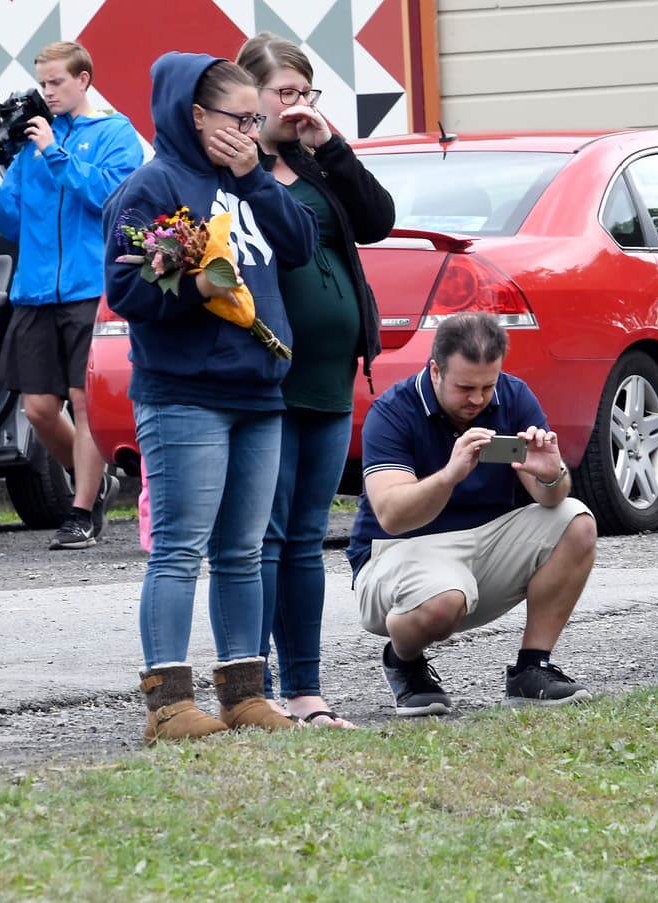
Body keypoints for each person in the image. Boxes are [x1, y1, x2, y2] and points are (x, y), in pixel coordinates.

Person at [102, 51, 319, 743]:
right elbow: (127, 291)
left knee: (242, 549)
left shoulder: (247, 179)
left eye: (257, 121)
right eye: (240, 119)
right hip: (184, 394)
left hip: (258, 392)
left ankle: (244, 692)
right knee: (179, 548)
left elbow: (300, 244)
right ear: (196, 116)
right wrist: (199, 286)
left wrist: (254, 174)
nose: (251, 131)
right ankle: (169, 702)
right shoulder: (152, 185)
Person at [236, 33, 395, 729]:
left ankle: (307, 693)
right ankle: (258, 688)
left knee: (306, 538)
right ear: (252, 97)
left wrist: (329, 143)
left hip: (331, 376)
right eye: (285, 94)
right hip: (266, 377)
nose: (298, 106)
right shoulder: (234, 171)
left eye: (308, 93)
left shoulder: (316, 162)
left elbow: (377, 222)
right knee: (263, 538)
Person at [347, 312, 598, 716]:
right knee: (443, 600)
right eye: (465, 387)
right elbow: (392, 515)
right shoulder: (393, 411)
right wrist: (450, 474)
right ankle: (403, 660)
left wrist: (551, 475)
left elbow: (551, 498)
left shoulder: (514, 397)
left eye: (487, 386)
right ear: (435, 371)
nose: (478, 400)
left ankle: (532, 669)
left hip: (483, 545)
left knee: (576, 520)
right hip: (398, 552)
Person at [0, 41, 142, 550]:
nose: (47, 93)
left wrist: (54, 151)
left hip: (91, 289)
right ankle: (94, 476)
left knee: (86, 403)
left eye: (56, 83)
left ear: (83, 80)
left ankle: (82, 510)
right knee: (41, 409)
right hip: (35, 290)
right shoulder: (28, 147)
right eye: (42, 83)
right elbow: (15, 222)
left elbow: (112, 200)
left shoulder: (115, 133)